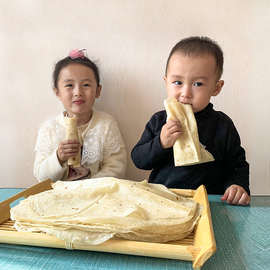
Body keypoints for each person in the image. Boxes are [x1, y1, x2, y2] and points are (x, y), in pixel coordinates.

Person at [131, 37, 250, 205]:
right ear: (166, 83)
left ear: (216, 88)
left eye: (198, 84)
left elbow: (237, 164)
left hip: (210, 202)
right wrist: (161, 143)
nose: (185, 93)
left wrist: (237, 185)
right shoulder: (159, 121)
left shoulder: (222, 125)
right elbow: (139, 159)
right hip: (164, 200)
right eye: (178, 82)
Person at [34, 49, 127, 182]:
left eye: (86, 85)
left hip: (97, 194)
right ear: (57, 92)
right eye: (69, 85)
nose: (78, 92)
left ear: (98, 91)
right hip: (60, 196)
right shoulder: (49, 129)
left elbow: (117, 168)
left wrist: (88, 186)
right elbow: (40, 176)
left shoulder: (106, 124)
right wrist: (58, 157)